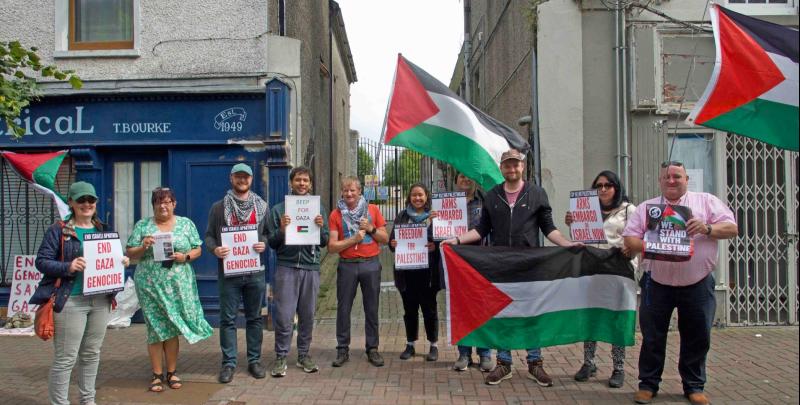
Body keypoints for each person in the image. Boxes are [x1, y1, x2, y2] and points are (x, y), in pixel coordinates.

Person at [443, 149, 581, 386]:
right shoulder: (492, 196)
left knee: (532, 314)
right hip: (501, 265)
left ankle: (535, 363)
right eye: (507, 165)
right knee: (503, 313)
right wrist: (456, 241)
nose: (512, 169)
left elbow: (549, 228)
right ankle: (504, 363)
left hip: (530, 265)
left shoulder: (537, 193)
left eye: (515, 165)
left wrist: (568, 244)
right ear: (501, 168)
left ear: (522, 166)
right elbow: (481, 230)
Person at [623, 161, 737, 405]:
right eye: (666, 177)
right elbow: (630, 241)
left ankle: (694, 386)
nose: (671, 181)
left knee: (698, 336)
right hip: (657, 283)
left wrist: (707, 228)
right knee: (653, 337)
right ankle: (648, 385)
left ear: (687, 179)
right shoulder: (647, 208)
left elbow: (732, 228)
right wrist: (654, 245)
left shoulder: (706, 202)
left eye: (677, 176)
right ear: (660, 181)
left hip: (697, 284)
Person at [31, 181, 130, 405]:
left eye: (91, 200)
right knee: (66, 358)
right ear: (71, 203)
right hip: (70, 300)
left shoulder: (103, 230)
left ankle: (88, 400)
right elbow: (42, 262)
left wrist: (121, 260)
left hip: (101, 301)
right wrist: (68, 266)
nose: (87, 204)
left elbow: (112, 258)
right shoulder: (59, 230)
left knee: (91, 354)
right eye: (81, 200)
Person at [127, 187, 212, 392]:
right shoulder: (143, 225)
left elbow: (198, 248)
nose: (163, 206)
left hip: (177, 284)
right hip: (150, 285)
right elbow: (130, 252)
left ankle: (172, 372)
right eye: (158, 202)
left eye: (167, 202)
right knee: (156, 328)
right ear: (153, 205)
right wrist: (143, 246)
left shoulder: (185, 224)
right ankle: (157, 374)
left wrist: (186, 257)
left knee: (172, 326)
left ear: (174, 204)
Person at [564, 170, 636, 388]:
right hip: (592, 269)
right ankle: (589, 363)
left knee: (617, 318)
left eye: (608, 185)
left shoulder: (628, 210)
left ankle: (618, 368)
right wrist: (572, 224)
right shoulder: (587, 209)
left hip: (618, 271)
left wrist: (629, 248)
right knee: (590, 316)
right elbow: (582, 238)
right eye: (599, 185)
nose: (603, 189)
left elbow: (637, 237)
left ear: (616, 187)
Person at [205, 163, 270, 383]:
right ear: (231, 179)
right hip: (229, 273)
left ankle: (254, 361)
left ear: (251, 180)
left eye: (246, 177)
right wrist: (215, 249)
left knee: (254, 318)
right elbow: (209, 236)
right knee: (228, 319)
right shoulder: (218, 207)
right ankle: (229, 363)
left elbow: (269, 234)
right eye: (238, 177)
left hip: (254, 273)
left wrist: (263, 243)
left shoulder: (262, 206)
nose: (243, 180)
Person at [266, 166, 329, 377]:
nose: (302, 184)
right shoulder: (278, 210)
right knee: (284, 316)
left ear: (310, 184)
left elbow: (325, 241)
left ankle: (304, 355)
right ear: (291, 183)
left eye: (305, 180)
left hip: (311, 268)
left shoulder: (318, 208)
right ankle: (281, 356)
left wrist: (320, 228)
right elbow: (272, 243)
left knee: (307, 315)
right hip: (286, 267)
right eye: (298, 180)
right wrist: (282, 230)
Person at [328, 176, 389, 367]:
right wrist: (353, 240)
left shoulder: (372, 210)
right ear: (341, 192)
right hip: (347, 265)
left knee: (371, 308)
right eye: (345, 190)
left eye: (352, 190)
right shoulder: (335, 214)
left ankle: (372, 348)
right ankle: (342, 349)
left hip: (370, 263)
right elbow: (332, 246)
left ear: (359, 191)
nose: (349, 194)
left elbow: (385, 238)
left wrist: (370, 228)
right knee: (343, 308)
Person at [389, 183, 441, 362]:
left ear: (426, 196)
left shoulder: (434, 217)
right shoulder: (402, 216)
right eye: (414, 195)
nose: (417, 198)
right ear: (409, 197)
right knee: (409, 310)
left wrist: (435, 246)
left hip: (428, 273)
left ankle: (433, 345)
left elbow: (443, 240)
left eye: (420, 195)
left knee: (430, 309)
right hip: (407, 273)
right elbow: (391, 242)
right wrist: (393, 244)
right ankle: (410, 343)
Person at [451, 172, 493, 372]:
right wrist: (434, 221)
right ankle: (464, 353)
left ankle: (484, 353)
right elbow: (435, 235)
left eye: (469, 176)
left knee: (482, 307)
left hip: (481, 261)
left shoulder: (485, 200)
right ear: (455, 181)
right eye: (461, 176)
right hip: (457, 261)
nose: (465, 179)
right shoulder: (447, 202)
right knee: (462, 308)